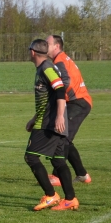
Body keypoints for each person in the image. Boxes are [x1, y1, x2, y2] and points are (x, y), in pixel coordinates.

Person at [25, 39, 78, 211]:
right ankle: (70, 199)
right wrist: (34, 118)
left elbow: (60, 89)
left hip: (49, 123)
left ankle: (50, 195)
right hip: (48, 119)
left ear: (33, 52)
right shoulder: (46, 67)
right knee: (58, 161)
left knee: (31, 157)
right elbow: (49, 98)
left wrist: (60, 117)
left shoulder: (46, 68)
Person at [46, 34, 93, 185]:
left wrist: (56, 95)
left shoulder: (59, 61)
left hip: (78, 102)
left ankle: (57, 176)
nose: (45, 46)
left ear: (56, 46)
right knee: (65, 137)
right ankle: (82, 174)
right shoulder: (62, 59)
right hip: (76, 102)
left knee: (62, 137)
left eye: (48, 44)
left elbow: (65, 81)